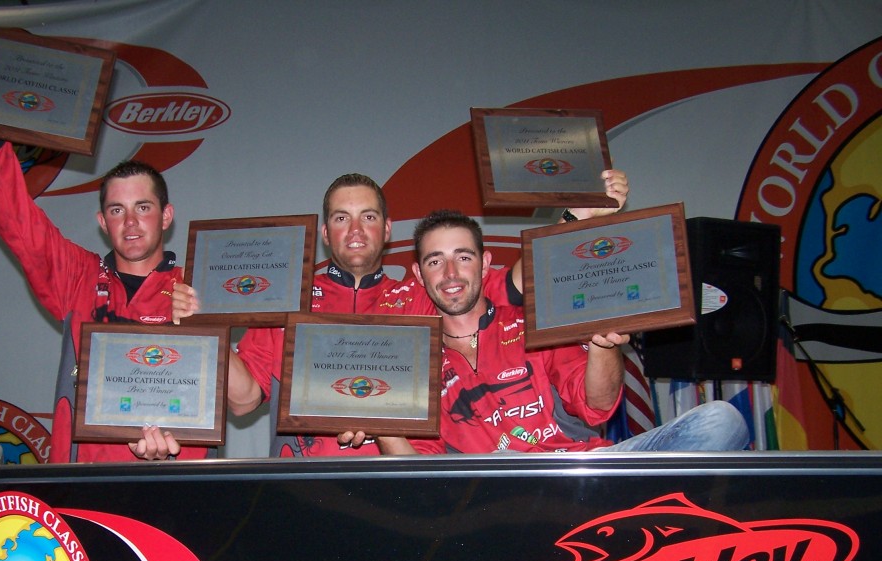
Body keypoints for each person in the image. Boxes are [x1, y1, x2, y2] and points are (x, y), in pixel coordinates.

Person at [174, 172, 629, 457]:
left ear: (387, 230)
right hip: (304, 486)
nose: (355, 230)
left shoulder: (420, 294)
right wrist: (208, 327)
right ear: (325, 234)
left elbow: (511, 282)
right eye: (341, 218)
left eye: (368, 217)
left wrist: (575, 217)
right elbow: (243, 400)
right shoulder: (287, 301)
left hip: (400, 488)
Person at [0, 41, 198, 462]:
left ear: (166, 215)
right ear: (103, 223)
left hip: (170, 491)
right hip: (78, 490)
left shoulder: (196, 291)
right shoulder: (76, 277)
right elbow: (16, 219)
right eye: (117, 210)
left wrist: (178, 454)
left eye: (143, 208)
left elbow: (227, 395)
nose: (131, 223)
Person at [344, 210, 749, 455]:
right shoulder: (412, 364)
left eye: (462, 257)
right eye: (435, 261)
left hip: (582, 470)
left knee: (721, 421)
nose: (451, 274)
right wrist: (383, 423)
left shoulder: (531, 324)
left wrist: (602, 346)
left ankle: (626, 508)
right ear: (418, 274)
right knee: (497, 468)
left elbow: (597, 407)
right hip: (497, 494)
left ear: (485, 264)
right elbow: (425, 476)